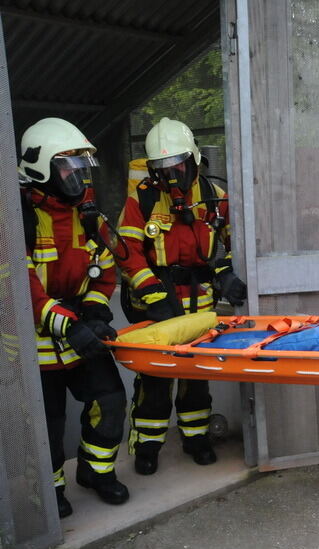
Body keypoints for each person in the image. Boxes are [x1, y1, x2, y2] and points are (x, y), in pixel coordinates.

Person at [115, 117, 247, 475]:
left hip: (199, 300)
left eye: (177, 166)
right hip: (155, 301)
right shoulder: (141, 199)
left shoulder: (215, 198)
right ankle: (147, 445)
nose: (171, 176)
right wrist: (153, 293)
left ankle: (196, 438)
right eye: (161, 169)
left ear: (194, 160)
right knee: (155, 377)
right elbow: (127, 252)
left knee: (195, 374)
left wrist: (227, 274)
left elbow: (234, 245)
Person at [19, 117, 129, 517]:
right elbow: (20, 287)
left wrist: (98, 309)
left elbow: (106, 267)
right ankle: (52, 492)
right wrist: (70, 324)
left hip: (82, 327)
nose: (78, 176)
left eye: (81, 167)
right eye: (68, 167)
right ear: (41, 169)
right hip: (37, 343)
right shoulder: (15, 222)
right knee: (47, 426)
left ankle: (96, 472)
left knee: (111, 400)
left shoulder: (88, 215)